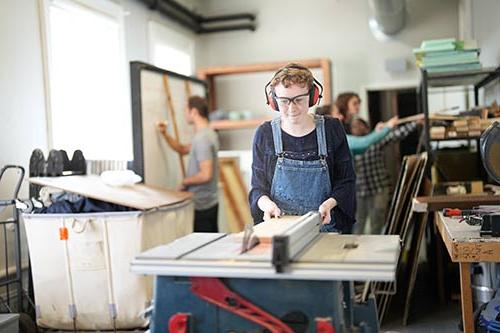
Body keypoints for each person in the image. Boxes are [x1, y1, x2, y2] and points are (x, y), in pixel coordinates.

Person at [249, 63, 356, 233]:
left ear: (313, 97)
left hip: (325, 227)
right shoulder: (265, 134)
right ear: (273, 102)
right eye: (284, 101)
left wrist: (330, 203)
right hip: (280, 228)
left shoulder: (332, 129)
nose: (292, 108)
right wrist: (266, 204)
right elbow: (257, 188)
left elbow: (346, 181)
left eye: (299, 99)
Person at [157, 96, 220, 232]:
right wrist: (164, 134)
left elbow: (205, 175)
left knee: (203, 250)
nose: (184, 114)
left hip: (203, 205)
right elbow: (182, 149)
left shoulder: (203, 138)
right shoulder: (207, 134)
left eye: (186, 110)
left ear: (194, 112)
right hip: (208, 202)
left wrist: (185, 182)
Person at [352, 116, 422, 234]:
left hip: (378, 189)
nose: (357, 128)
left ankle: (375, 250)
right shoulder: (351, 145)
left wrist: (415, 124)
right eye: (354, 126)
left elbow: (396, 135)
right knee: (358, 223)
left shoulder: (375, 140)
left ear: (366, 127)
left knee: (377, 224)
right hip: (360, 191)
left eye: (359, 125)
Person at [315, 104, 398, 155]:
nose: (341, 117)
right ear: (328, 117)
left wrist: (376, 132)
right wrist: (388, 127)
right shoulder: (334, 139)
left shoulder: (332, 137)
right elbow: (364, 142)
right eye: (337, 113)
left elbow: (362, 149)